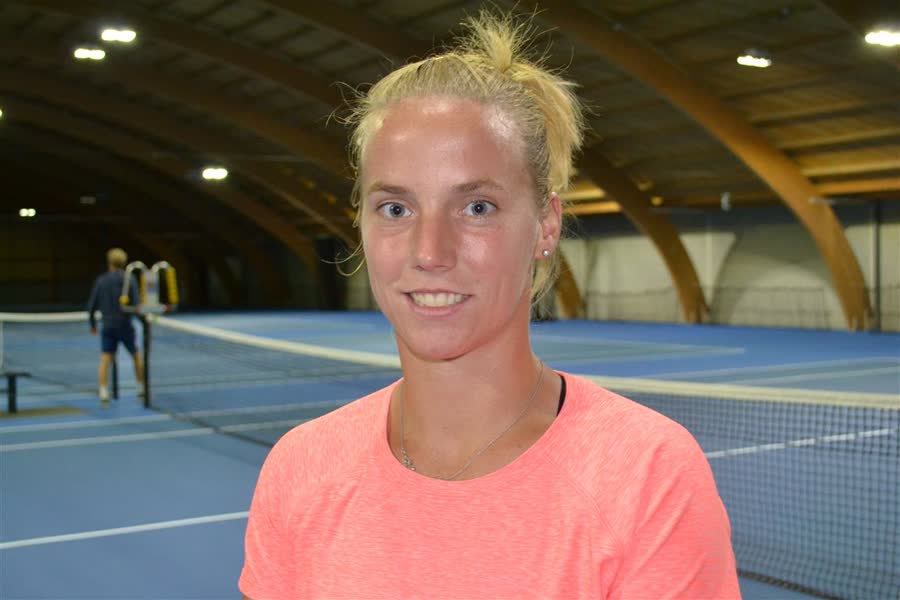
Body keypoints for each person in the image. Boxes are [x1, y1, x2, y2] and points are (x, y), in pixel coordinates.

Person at [240, 10, 740, 599]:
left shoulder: (647, 477)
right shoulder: (299, 468)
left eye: (476, 207)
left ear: (546, 224)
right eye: (395, 208)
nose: (429, 252)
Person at [87, 247, 144, 406]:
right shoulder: (129, 279)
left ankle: (103, 391)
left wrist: (92, 325)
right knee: (136, 355)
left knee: (105, 358)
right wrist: (144, 322)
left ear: (109, 262)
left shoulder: (101, 281)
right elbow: (137, 305)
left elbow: (92, 305)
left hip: (108, 325)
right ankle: (141, 387)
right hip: (125, 325)